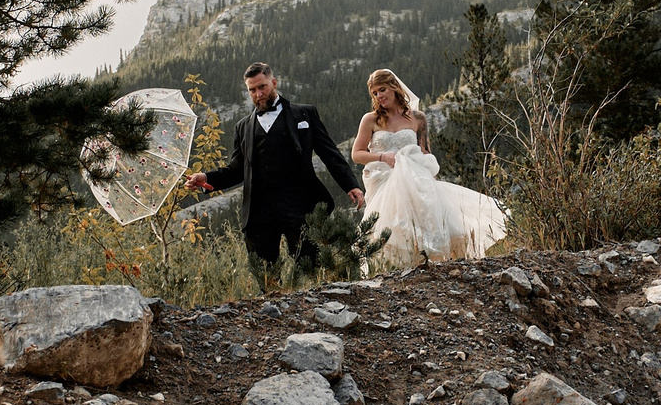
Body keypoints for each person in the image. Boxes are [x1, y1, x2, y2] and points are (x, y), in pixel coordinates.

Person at [186, 62, 363, 274]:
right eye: (252, 90)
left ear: (274, 83)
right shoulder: (243, 127)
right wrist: (205, 178)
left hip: (300, 204)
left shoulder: (304, 114)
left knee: (310, 268)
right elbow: (236, 169)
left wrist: (350, 185)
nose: (258, 94)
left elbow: (330, 153)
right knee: (265, 273)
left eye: (262, 87)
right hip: (260, 210)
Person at [352, 67, 507, 270]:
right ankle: (392, 270)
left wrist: (429, 178)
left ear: (394, 87)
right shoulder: (371, 119)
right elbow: (357, 154)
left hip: (416, 177)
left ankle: (428, 266)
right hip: (385, 180)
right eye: (374, 93)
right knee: (388, 228)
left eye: (382, 90)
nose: (379, 96)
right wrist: (383, 157)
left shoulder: (417, 118)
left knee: (430, 221)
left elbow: (425, 152)